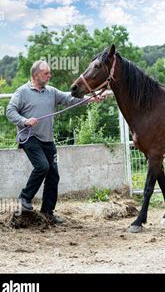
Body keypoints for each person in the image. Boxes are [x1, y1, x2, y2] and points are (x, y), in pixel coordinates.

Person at [6, 60, 106, 223]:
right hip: (29, 137)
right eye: (46, 73)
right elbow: (10, 111)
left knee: (53, 174)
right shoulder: (22, 92)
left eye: (49, 73)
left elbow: (69, 99)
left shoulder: (51, 91)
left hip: (47, 139)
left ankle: (48, 213)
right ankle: (23, 199)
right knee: (42, 166)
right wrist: (24, 121)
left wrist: (90, 99)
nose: (49, 76)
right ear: (36, 75)